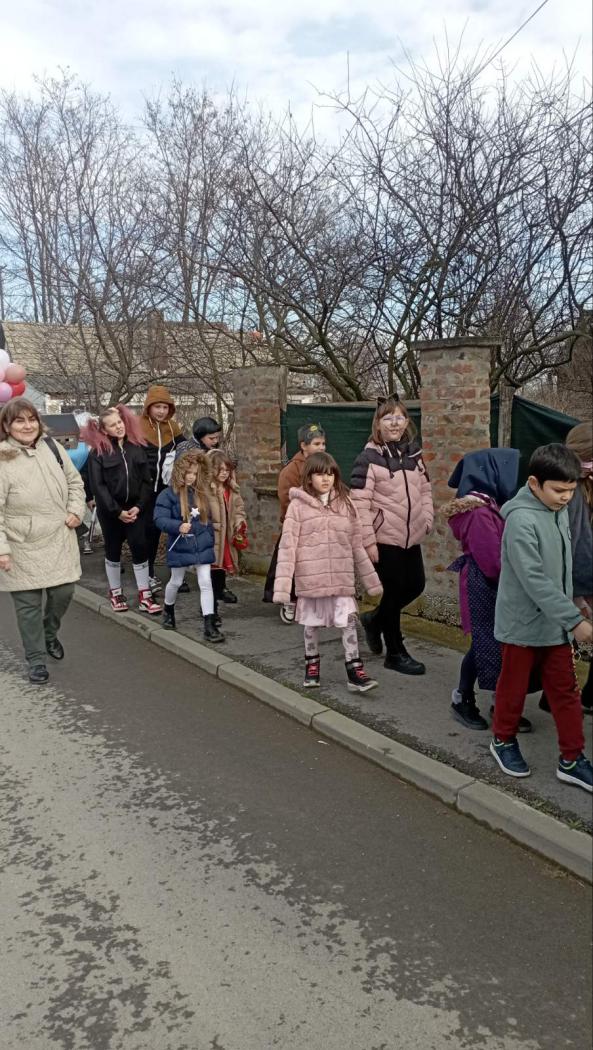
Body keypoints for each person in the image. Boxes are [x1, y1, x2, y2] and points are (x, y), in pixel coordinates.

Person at [490, 444, 593, 792]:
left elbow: (562, 567)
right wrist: (574, 620)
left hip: (556, 624)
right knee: (513, 687)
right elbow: (533, 578)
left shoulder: (556, 510)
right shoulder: (521, 520)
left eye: (571, 490)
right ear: (534, 483)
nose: (566, 497)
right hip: (522, 624)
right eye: (559, 490)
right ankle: (503, 739)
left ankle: (572, 758)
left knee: (566, 691)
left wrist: (575, 605)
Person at [274, 451, 382, 693]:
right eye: (320, 474)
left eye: (330, 474)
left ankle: (355, 671)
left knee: (349, 621)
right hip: (312, 579)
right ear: (308, 477)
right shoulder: (297, 507)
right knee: (311, 625)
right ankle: (312, 666)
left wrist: (371, 580)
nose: (326, 479)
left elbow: (356, 544)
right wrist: (282, 588)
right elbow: (288, 547)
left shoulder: (346, 504)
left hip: (341, 577)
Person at [443, 448, 531, 732]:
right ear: (492, 473)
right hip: (485, 584)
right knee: (484, 643)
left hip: (491, 583)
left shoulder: (488, 504)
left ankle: (500, 702)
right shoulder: (479, 513)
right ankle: (462, 698)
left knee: (498, 643)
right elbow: (493, 562)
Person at [0, 398, 86, 683]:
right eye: (19, 421)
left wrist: (76, 510)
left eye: (31, 419)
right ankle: (36, 660)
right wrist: (2, 550)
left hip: (59, 536)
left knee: (64, 592)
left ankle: (49, 633)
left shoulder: (52, 447)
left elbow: (75, 482)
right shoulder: (1, 458)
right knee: (28, 607)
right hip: (20, 542)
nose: (27, 426)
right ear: (7, 426)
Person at [350, 395, 433, 674]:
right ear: (378, 423)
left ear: (407, 422)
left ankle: (374, 619)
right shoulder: (368, 458)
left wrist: (427, 519)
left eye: (399, 417)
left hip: (411, 536)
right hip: (384, 538)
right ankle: (395, 653)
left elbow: (425, 489)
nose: (395, 423)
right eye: (388, 418)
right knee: (395, 592)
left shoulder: (414, 455)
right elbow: (359, 505)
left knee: (416, 585)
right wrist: (368, 542)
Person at [82, 405, 162, 615]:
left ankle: (145, 595)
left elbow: (147, 481)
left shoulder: (137, 447)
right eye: (112, 425)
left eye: (119, 422)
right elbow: (98, 486)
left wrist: (139, 506)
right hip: (111, 512)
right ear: (103, 430)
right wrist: (117, 512)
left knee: (140, 547)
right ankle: (116, 593)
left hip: (135, 509)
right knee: (113, 550)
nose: (118, 427)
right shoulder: (98, 453)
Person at [154, 451, 223, 643]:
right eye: (188, 472)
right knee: (176, 581)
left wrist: (208, 535)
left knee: (205, 581)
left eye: (195, 473)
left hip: (201, 543)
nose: (191, 477)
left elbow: (208, 519)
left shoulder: (200, 494)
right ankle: (168, 609)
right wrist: (177, 526)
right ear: (179, 472)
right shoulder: (168, 495)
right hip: (181, 544)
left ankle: (209, 625)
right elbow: (159, 518)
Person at [263, 422, 327, 622]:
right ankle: (289, 601)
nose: (322, 447)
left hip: (320, 526)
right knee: (290, 567)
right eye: (316, 444)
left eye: (323, 443)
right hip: (297, 527)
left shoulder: (326, 465)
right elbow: (287, 500)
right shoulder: (291, 470)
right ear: (303, 446)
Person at [139, 385, 186, 593]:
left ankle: (157, 573)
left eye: (165, 407)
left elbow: (186, 449)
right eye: (157, 406)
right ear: (148, 407)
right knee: (142, 532)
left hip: (164, 490)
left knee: (156, 531)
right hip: (142, 490)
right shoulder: (137, 427)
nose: (161, 411)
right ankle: (144, 572)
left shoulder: (173, 428)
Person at [565, 423, 593, 713]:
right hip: (577, 580)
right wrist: (575, 594)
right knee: (563, 645)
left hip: (584, 575)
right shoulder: (569, 491)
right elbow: (572, 543)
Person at [206, 449, 248, 617]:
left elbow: (239, 508)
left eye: (227, 470)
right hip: (212, 535)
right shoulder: (206, 490)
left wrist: (239, 522)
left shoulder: (232, 489)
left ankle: (220, 590)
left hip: (227, 535)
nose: (224, 473)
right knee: (211, 567)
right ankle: (209, 602)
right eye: (220, 470)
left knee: (221, 565)